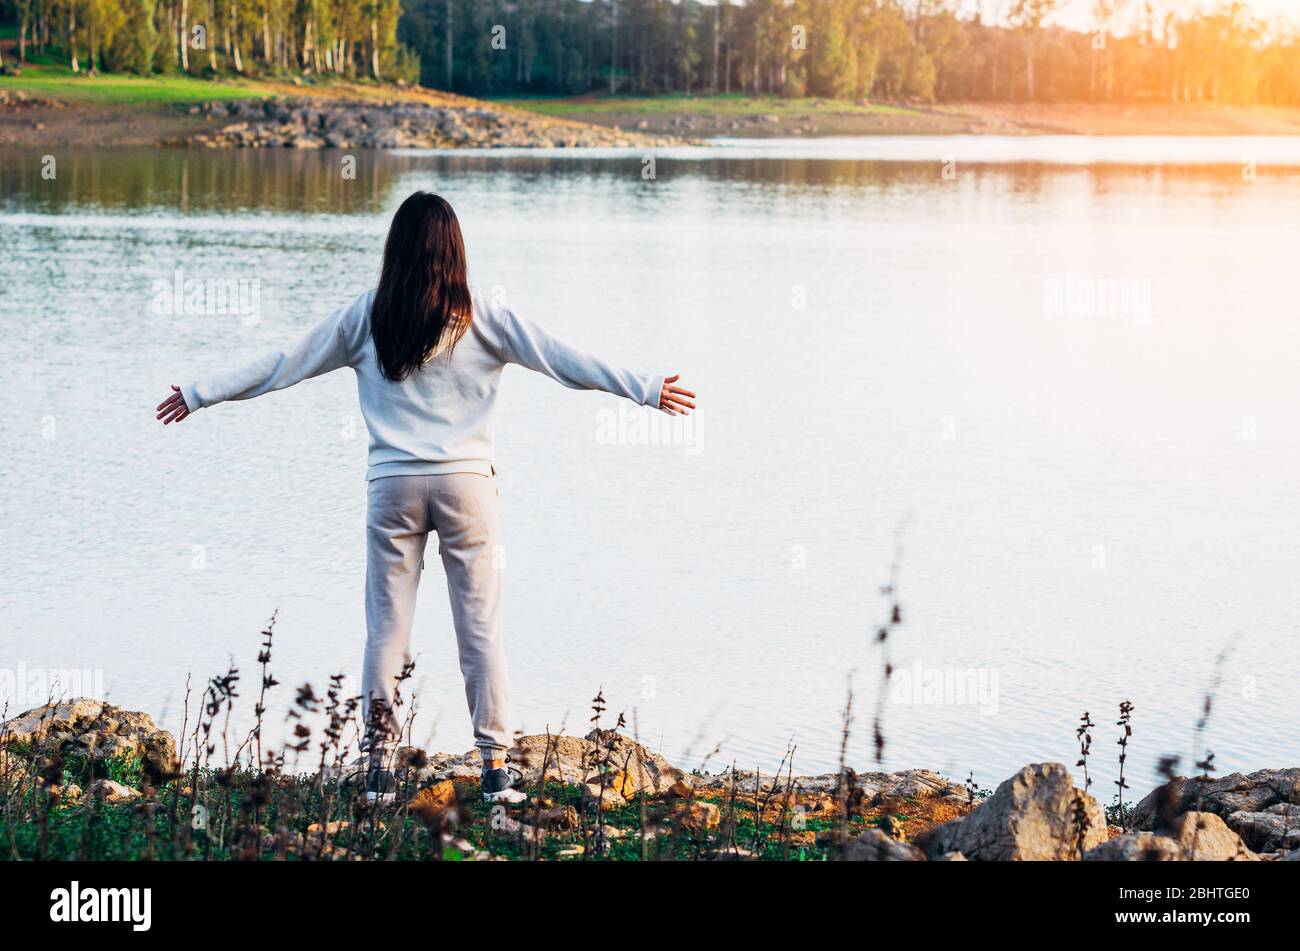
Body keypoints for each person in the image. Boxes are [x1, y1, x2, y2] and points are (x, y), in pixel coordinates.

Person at [155, 191, 696, 803]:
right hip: (468, 488)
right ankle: (494, 770)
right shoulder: (484, 315)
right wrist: (643, 388)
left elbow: (284, 363)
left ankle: (380, 770)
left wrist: (201, 392)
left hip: (393, 489)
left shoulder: (368, 315)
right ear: (455, 251)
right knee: (480, 628)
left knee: (387, 628)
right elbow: (562, 360)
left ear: (396, 250)